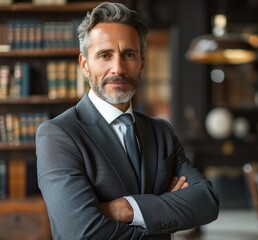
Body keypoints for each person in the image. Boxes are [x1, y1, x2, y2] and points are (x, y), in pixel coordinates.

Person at [36, 2, 219, 239]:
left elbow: (207, 201)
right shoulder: (58, 135)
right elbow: (82, 232)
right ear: (84, 65)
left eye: (129, 54)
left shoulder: (161, 131)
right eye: (105, 55)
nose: (118, 68)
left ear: (142, 61)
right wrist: (161, 209)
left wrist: (126, 208)